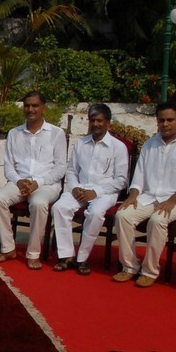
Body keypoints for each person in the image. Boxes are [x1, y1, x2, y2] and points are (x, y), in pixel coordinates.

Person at [114, 101, 176, 287]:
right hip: (149, 197)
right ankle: (129, 267)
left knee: (157, 220)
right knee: (123, 215)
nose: (165, 124)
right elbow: (139, 176)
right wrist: (132, 196)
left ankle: (149, 271)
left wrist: (172, 201)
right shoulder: (149, 144)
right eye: (161, 120)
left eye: (170, 120)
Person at [0, 91, 67, 269]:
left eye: (35, 105)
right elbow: (8, 166)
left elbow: (60, 168)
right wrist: (18, 181)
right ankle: (8, 248)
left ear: (43, 109)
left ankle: (33, 253)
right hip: (20, 182)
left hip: (46, 184)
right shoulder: (14, 133)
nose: (30, 109)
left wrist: (37, 183)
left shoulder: (56, 133)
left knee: (39, 204)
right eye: (27, 105)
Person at [50, 103, 129, 275]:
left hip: (105, 193)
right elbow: (71, 171)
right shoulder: (81, 144)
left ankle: (82, 259)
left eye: (99, 121)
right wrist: (75, 187)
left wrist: (96, 192)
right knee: (59, 207)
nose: (95, 124)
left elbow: (122, 180)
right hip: (80, 189)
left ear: (108, 123)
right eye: (92, 120)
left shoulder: (118, 147)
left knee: (95, 213)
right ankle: (67, 255)